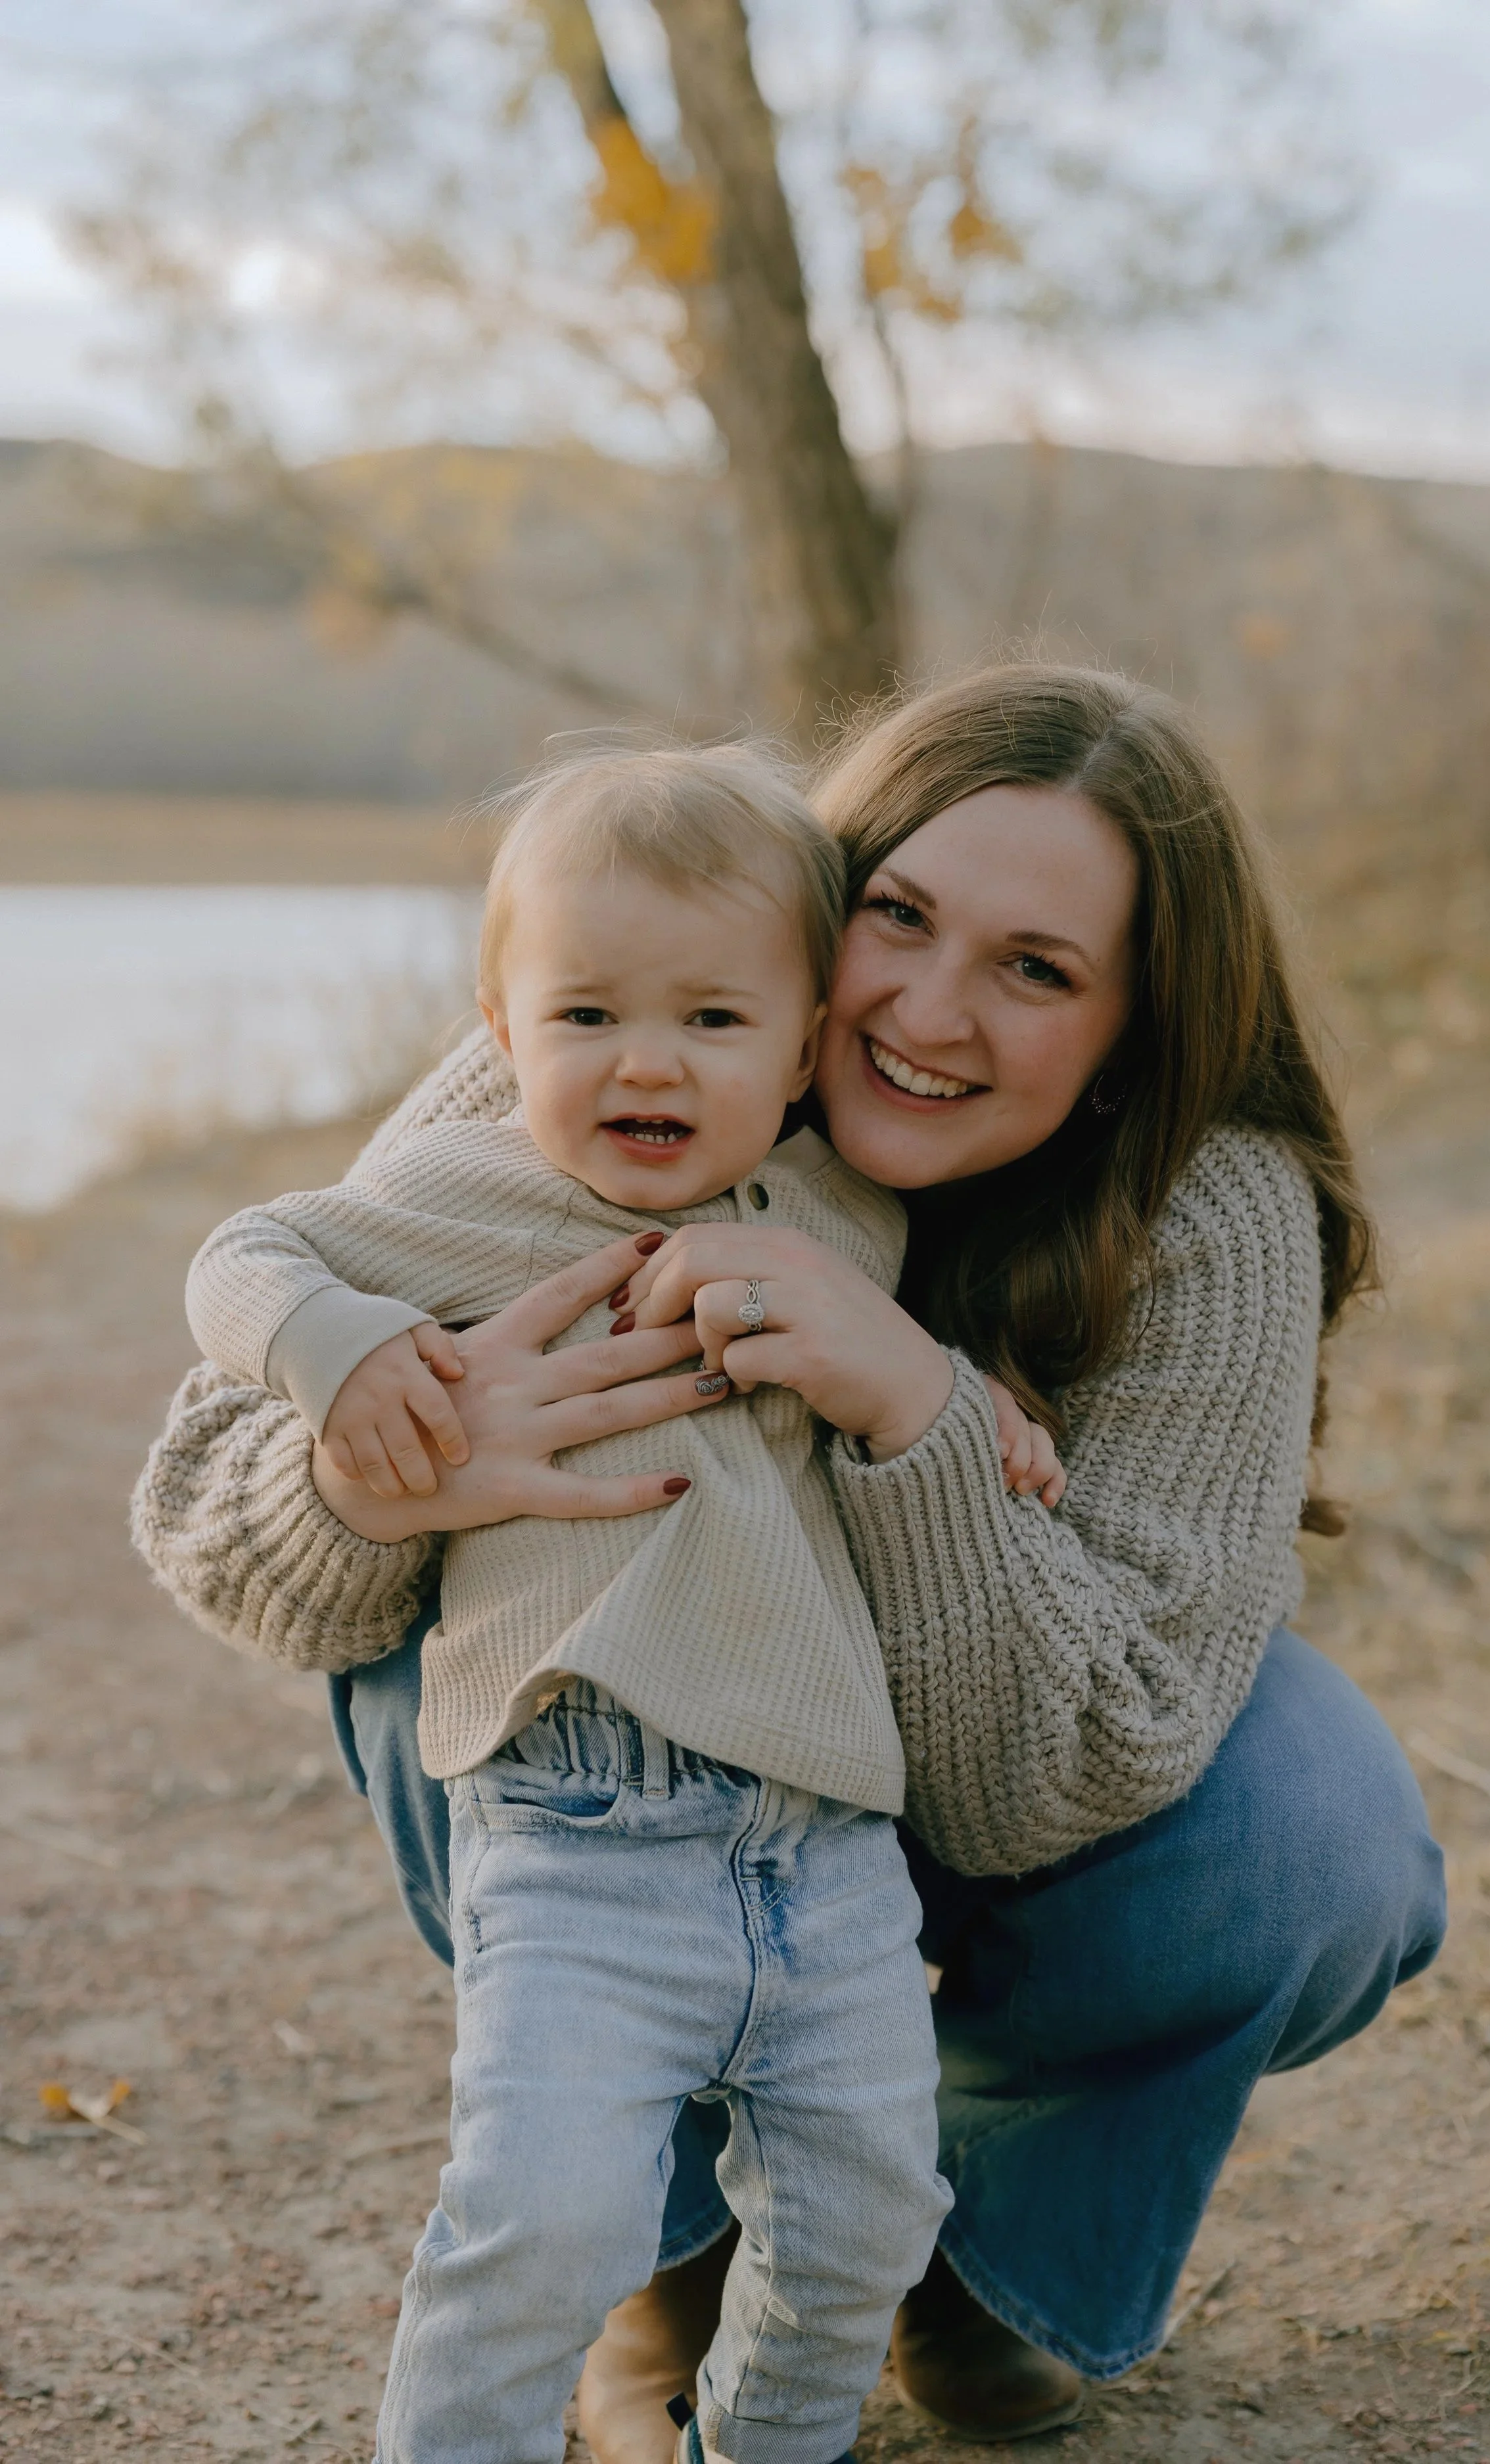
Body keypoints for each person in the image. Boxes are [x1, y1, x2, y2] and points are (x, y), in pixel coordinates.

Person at [134, 663, 1446, 2460]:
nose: (924, 1006)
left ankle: (975, 2247)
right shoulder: (631, 1011)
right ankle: (662, 2246)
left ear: (1132, 1029)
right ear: (820, 896)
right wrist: (404, 1458)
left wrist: (909, 1409)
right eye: (895, 916)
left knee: (1321, 1842)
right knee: (408, 1603)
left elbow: (1061, 1772)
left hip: (973, 1757)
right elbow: (216, 1498)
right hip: (619, 1764)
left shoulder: (1209, 1205)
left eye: (1036, 968)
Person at [175, 744, 962, 2464]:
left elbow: (923, 1371)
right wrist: (342, 1346)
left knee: (869, 2211)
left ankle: (763, 2442)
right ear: (500, 1016)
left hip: (823, 1845)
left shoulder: (849, 1213)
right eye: (587, 1011)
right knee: (536, 2220)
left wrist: (991, 1413)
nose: (646, 1061)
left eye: (711, 1017)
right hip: (578, 1816)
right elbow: (243, 1253)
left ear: (811, 1030)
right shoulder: (469, 1200)